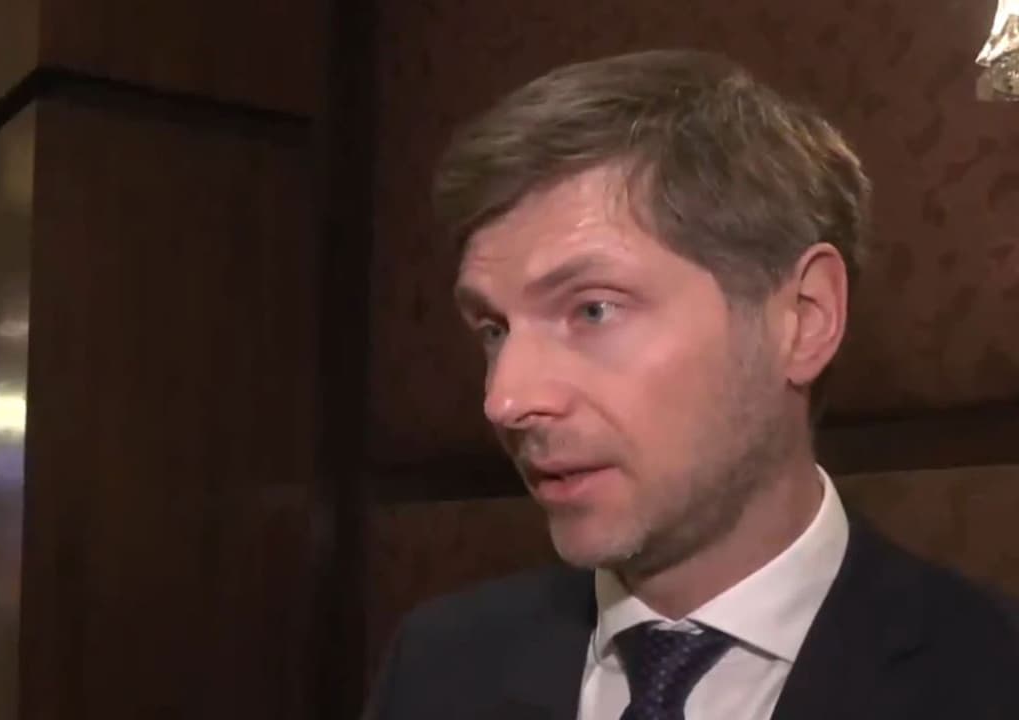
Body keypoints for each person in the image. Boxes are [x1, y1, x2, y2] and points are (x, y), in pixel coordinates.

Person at [364, 49, 1019, 720]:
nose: (506, 399)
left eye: (593, 310)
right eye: (494, 329)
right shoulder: (438, 668)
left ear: (803, 319)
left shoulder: (993, 678)